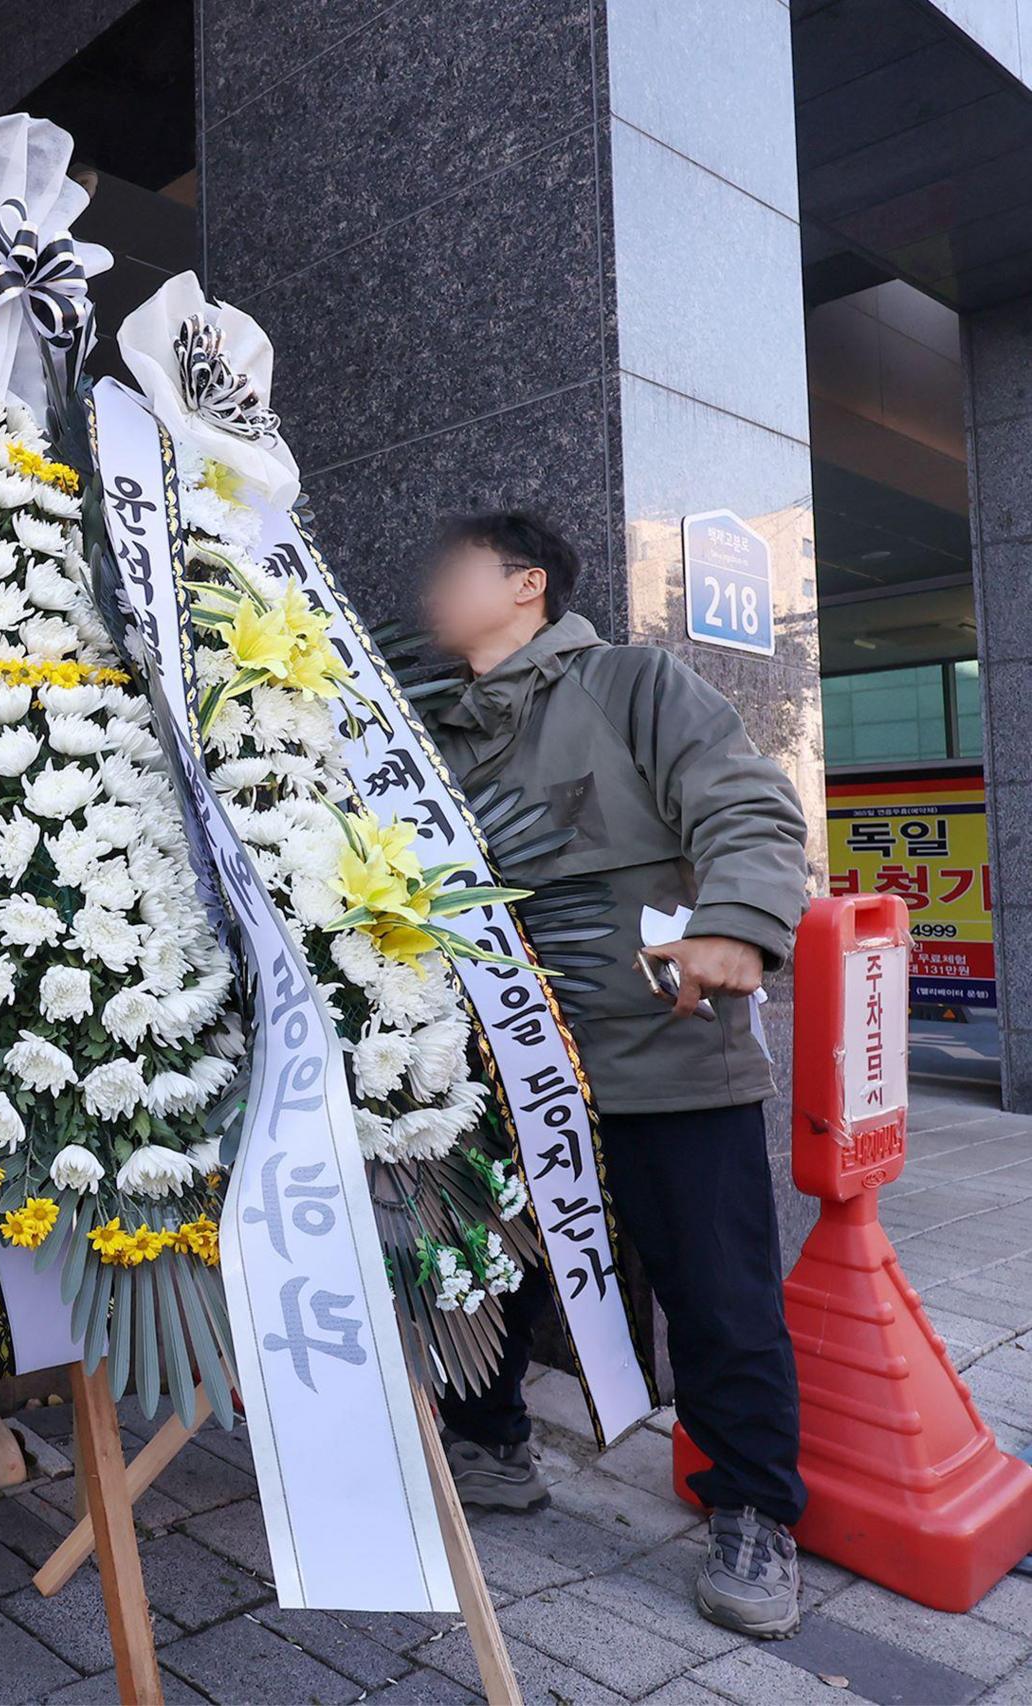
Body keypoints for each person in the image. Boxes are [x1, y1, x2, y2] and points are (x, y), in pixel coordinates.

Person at [416, 511, 813, 1639]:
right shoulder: (427, 739)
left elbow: (747, 802)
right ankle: (490, 1443)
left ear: (527, 582)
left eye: (458, 571)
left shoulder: (632, 682)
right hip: (491, 1067)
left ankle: (751, 1510)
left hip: (664, 1052)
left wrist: (738, 922)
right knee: (480, 1270)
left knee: (719, 1297)